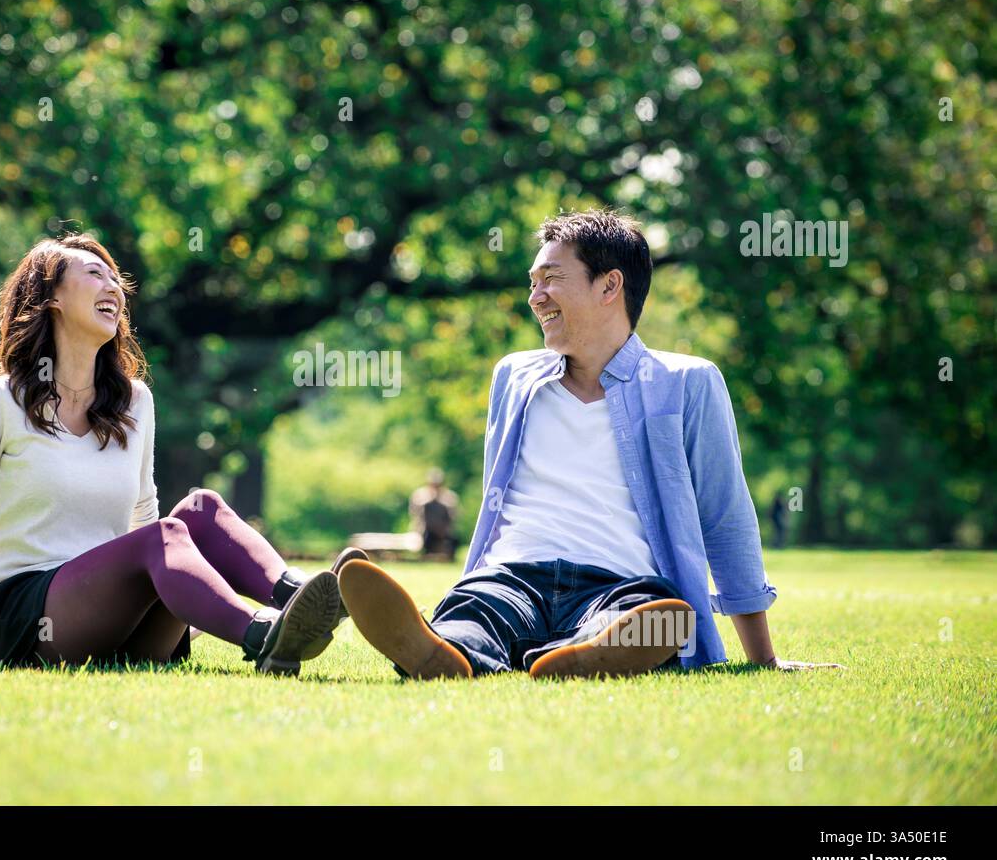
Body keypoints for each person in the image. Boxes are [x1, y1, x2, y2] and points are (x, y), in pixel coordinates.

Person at [339, 209, 845, 680]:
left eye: (552, 280)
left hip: (621, 584)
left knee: (648, 618)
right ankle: (443, 647)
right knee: (479, 610)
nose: (535, 297)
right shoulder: (514, 377)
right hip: (514, 574)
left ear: (609, 286)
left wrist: (765, 657)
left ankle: (576, 651)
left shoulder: (687, 382)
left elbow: (724, 514)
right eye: (533, 283)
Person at [0, 232, 362, 676]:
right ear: (52, 298)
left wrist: (188, 599)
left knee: (199, 508)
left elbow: (145, 517)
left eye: (116, 279)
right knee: (166, 533)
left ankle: (298, 597)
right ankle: (264, 637)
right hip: (33, 621)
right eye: (94, 274)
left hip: (121, 623)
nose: (113, 286)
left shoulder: (135, 401)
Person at [409, 469, 458, 561]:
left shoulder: (449, 496)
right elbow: (415, 514)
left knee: (453, 539)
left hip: (444, 531)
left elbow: (453, 515)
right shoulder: (420, 495)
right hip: (425, 531)